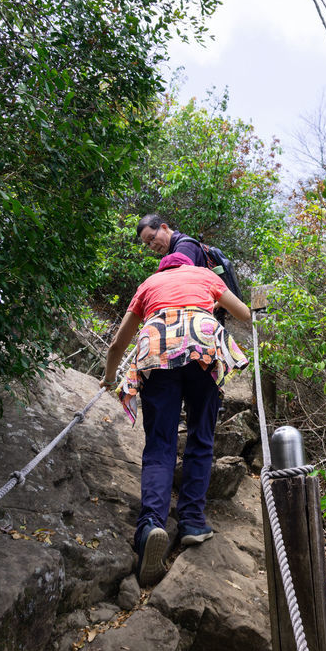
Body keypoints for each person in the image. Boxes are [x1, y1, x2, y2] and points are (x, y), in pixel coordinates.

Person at [101, 252, 251, 587]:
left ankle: (152, 523)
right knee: (201, 437)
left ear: (162, 269)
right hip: (204, 342)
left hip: (156, 347)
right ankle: (193, 522)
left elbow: (117, 344)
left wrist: (110, 379)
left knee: (160, 443)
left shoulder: (149, 284)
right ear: (188, 265)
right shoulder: (205, 276)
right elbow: (244, 315)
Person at [136, 214, 208, 267]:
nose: (152, 246)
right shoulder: (176, 249)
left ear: (164, 228)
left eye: (152, 238)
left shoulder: (184, 249)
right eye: (148, 244)